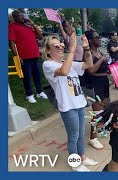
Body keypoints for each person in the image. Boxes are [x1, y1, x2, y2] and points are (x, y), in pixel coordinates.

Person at [42, 33, 97, 172]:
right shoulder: (48, 64)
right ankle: (75, 162)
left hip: (79, 103)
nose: (60, 47)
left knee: (80, 133)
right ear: (48, 50)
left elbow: (89, 64)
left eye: (61, 44)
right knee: (73, 136)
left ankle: (82, 157)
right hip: (68, 106)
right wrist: (71, 49)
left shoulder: (67, 62)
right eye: (56, 45)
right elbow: (64, 71)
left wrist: (86, 48)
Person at [9, 10, 48, 103]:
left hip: (35, 54)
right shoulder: (12, 27)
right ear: (15, 18)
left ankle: (40, 92)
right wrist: (17, 56)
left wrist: (33, 25)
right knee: (27, 76)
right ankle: (29, 94)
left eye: (23, 15)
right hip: (24, 56)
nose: (22, 17)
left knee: (37, 75)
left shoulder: (28, 27)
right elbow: (12, 42)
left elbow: (40, 36)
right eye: (20, 16)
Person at [83, 29, 112, 150]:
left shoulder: (100, 52)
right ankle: (92, 138)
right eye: (96, 37)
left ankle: (99, 130)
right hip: (94, 84)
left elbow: (103, 68)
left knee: (106, 109)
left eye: (99, 36)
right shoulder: (88, 53)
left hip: (104, 82)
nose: (99, 39)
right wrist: (101, 60)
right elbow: (90, 70)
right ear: (90, 40)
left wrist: (109, 69)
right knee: (97, 113)